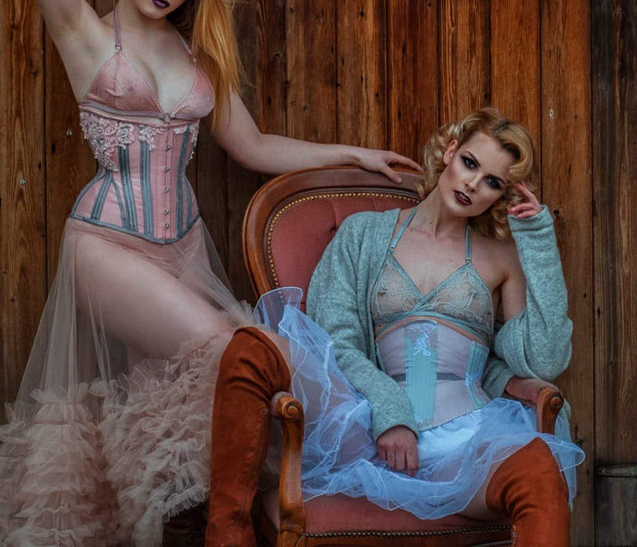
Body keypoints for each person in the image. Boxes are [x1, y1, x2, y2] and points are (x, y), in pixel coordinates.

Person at [0, 0, 418, 546]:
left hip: (184, 249)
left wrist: (352, 154)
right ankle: (226, 531)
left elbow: (252, 147)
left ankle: (201, 523)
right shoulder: (86, 34)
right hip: (108, 243)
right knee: (235, 352)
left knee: (266, 362)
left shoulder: (196, 53)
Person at [206, 108, 584, 547]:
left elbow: (543, 359)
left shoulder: (500, 257)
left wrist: (537, 240)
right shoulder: (362, 234)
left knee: (539, 468)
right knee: (251, 346)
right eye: (470, 163)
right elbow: (336, 339)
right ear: (449, 152)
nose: (472, 184)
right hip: (362, 426)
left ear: (499, 196)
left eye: (492, 182)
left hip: (463, 442)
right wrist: (390, 412)